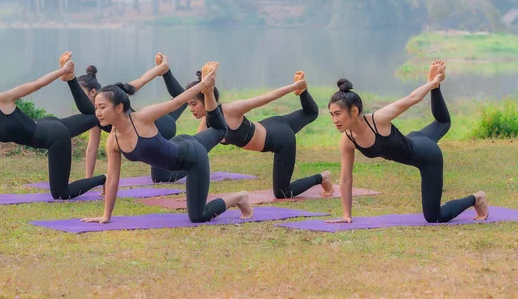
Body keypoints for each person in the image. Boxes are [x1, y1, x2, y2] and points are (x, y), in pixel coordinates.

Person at [81, 62, 253, 224]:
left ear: (118, 108)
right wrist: (106, 215)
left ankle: (239, 197)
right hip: (181, 144)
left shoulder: (142, 118)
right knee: (218, 130)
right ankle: (208, 91)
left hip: (193, 158)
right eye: (96, 107)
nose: (98, 112)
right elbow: (112, 179)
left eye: (102, 107)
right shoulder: (113, 141)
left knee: (198, 216)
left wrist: (203, 85)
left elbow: (176, 103)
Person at [326, 59, 488, 223]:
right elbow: (346, 179)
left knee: (434, 216)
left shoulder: (379, 120)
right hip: (415, 139)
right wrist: (347, 214)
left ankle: (476, 198)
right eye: (331, 114)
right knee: (443, 123)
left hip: (428, 156)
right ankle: (436, 89)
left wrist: (432, 82)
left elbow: (412, 98)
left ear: (354, 111)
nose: (334, 120)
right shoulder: (347, 140)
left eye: (338, 114)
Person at [158, 59, 333, 199]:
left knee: (282, 193)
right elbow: (194, 153)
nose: (191, 109)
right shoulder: (206, 124)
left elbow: (266, 98)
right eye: (189, 105)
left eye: (193, 103)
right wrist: (167, 167)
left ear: (206, 99)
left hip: (280, 139)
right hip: (271, 124)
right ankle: (303, 92)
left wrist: (294, 87)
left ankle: (323, 177)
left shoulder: (231, 110)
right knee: (311, 113)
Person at [0, 52, 106, 200]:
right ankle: (71, 79)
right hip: (49, 126)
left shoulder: (1, 100)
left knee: (61, 194)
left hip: (55, 136)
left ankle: (104, 178)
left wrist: (62, 70)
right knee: (95, 115)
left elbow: (37, 84)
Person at [63, 53, 188, 183]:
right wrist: (88, 179)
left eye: (81, 94)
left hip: (161, 127)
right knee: (182, 99)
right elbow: (92, 147)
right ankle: (171, 75)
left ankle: (195, 162)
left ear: (93, 92)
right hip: (149, 132)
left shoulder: (113, 95)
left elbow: (142, 80)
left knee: (161, 178)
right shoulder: (96, 115)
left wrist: (162, 67)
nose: (78, 99)